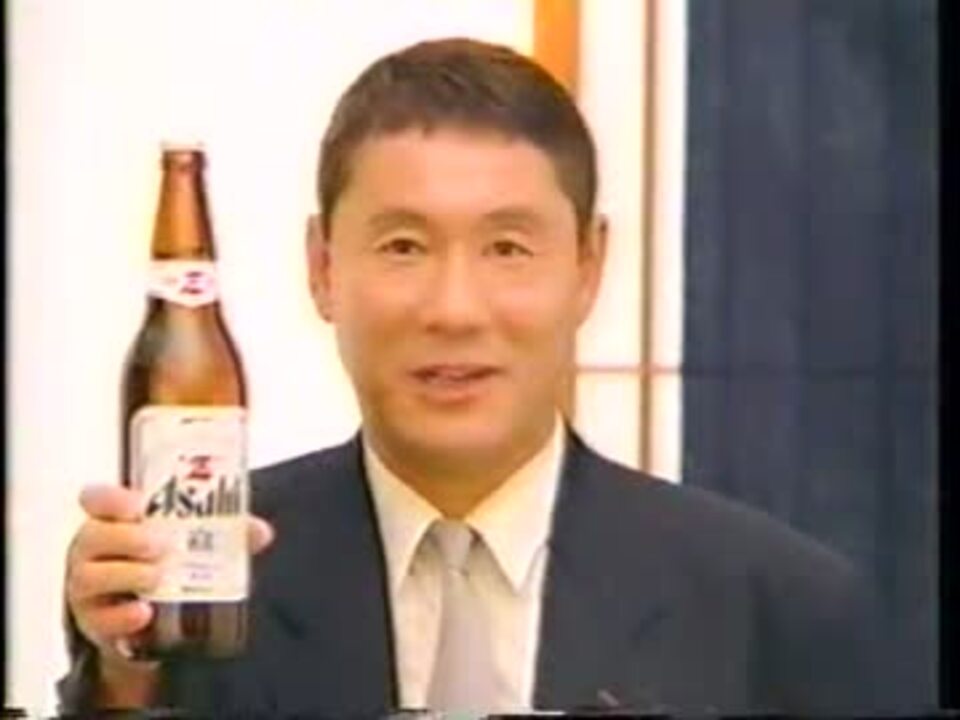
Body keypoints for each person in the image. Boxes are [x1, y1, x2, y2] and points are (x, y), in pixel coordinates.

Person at [58, 37, 913, 716]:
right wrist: (126, 671)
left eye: (507, 248)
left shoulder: (779, 609)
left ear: (588, 268)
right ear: (322, 268)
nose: (455, 308)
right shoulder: (198, 588)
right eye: (404, 246)